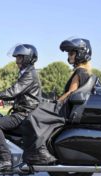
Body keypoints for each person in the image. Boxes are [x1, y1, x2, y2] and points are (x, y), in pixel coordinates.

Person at [23, 37, 93, 165]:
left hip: (64, 110)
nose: (69, 55)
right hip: (68, 109)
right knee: (41, 109)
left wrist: (55, 103)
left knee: (34, 114)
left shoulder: (80, 72)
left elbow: (71, 92)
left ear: (80, 54)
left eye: (72, 53)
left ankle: (40, 150)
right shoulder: (85, 71)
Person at [0, 44, 41, 171]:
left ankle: (5, 159)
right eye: (16, 58)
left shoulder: (29, 74)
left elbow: (12, 92)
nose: (16, 61)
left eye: (19, 58)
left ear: (28, 58)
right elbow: (14, 94)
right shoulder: (26, 73)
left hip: (24, 113)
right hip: (24, 111)